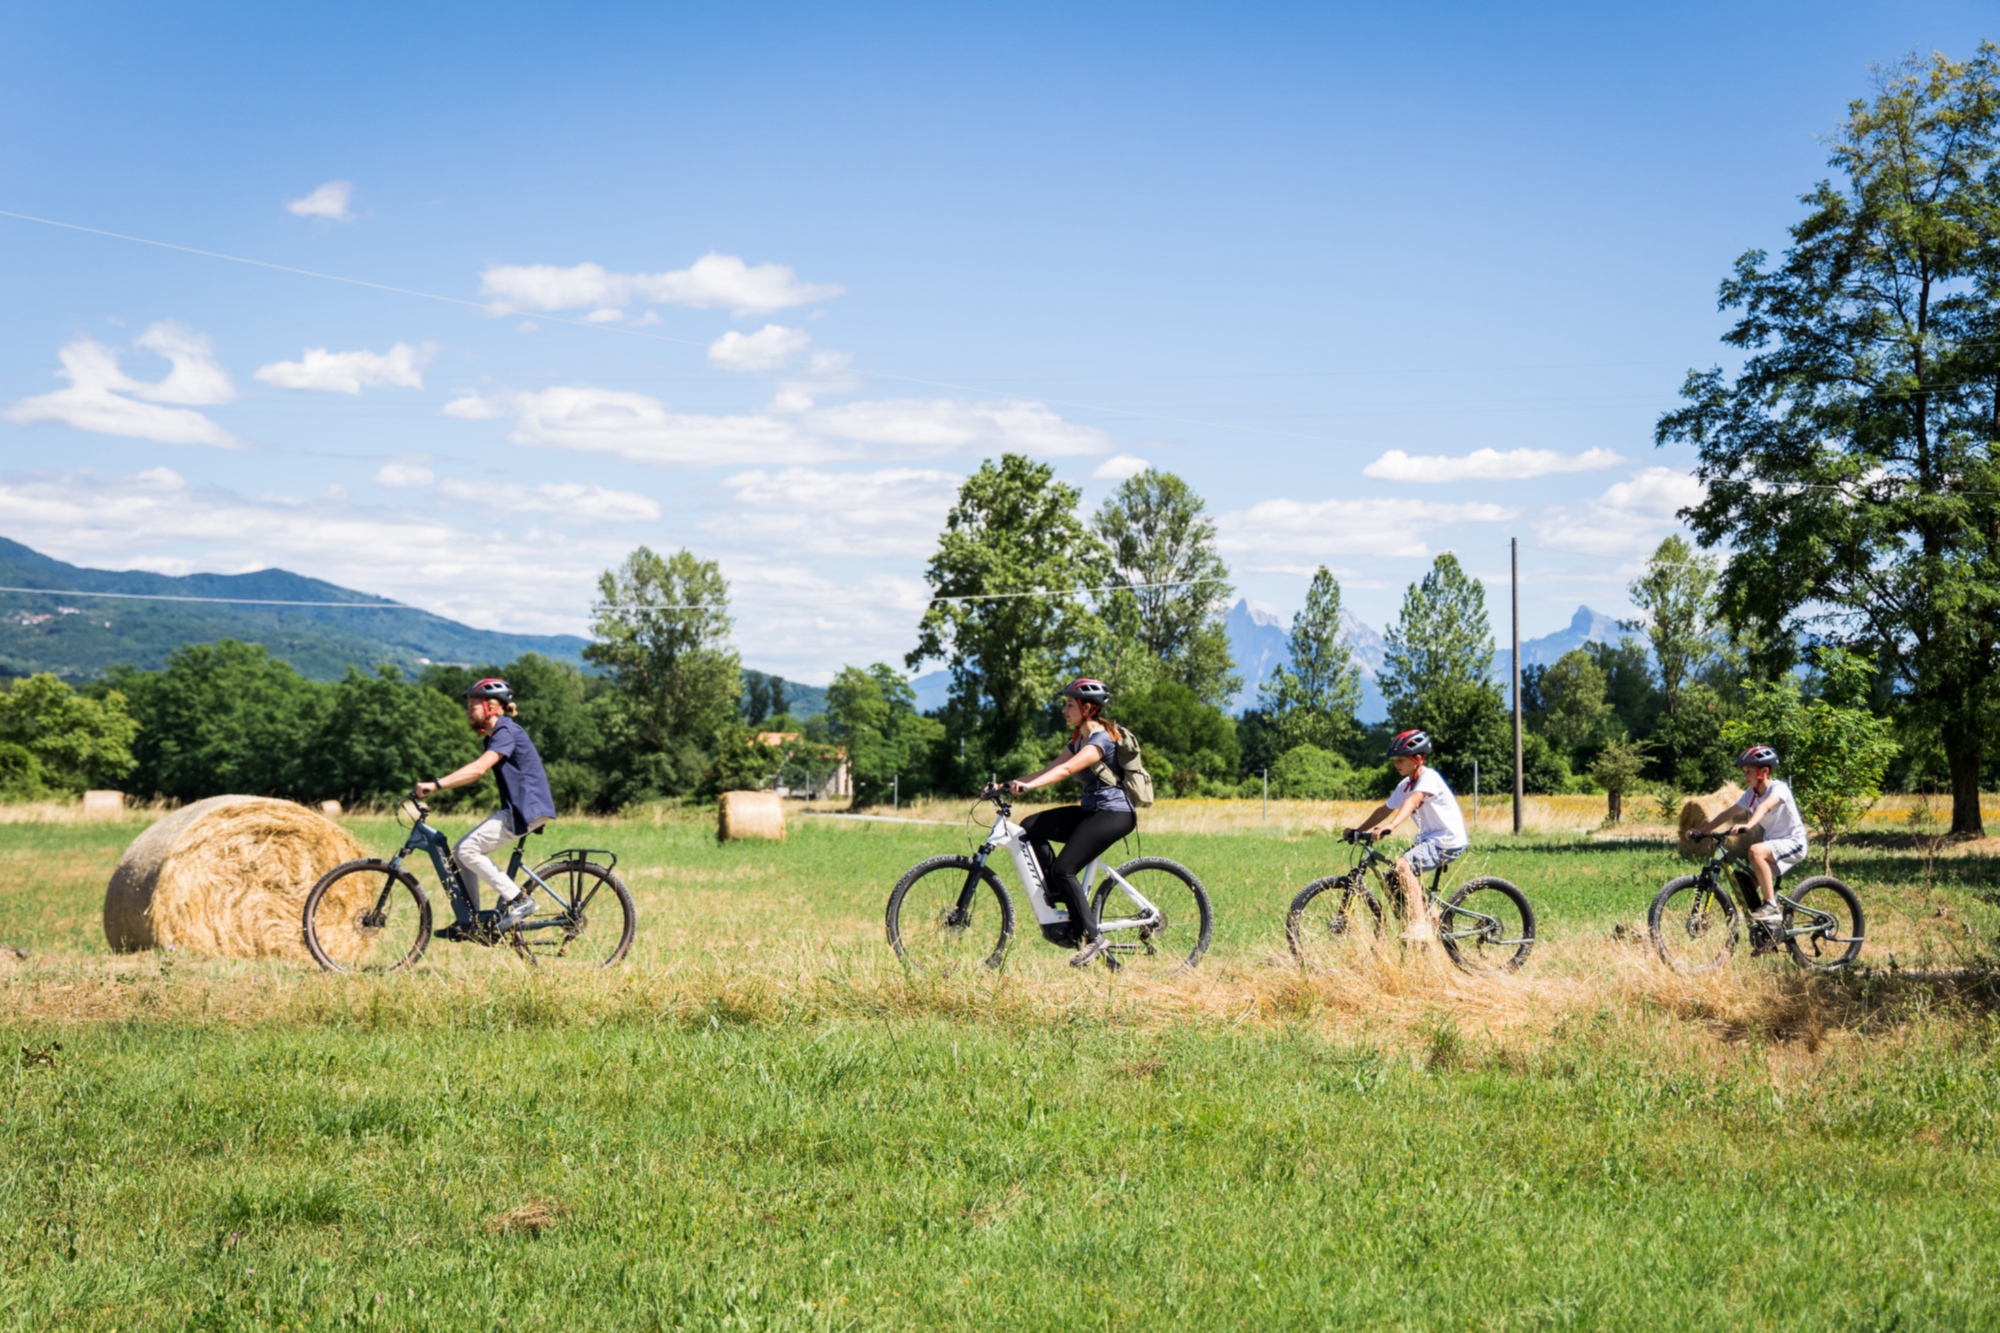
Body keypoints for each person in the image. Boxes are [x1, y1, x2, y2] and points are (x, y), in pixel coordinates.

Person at [1004, 677, 1136, 968]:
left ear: (1087, 708)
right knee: (1031, 825)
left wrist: (1029, 788)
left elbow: (1065, 770)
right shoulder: (1078, 739)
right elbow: (1049, 768)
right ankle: (1060, 890)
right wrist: (1007, 784)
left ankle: (1093, 937)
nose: (1064, 709)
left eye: (1069, 704)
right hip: (1092, 812)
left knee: (1065, 868)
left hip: (1113, 814)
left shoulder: (1100, 738)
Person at [416, 678, 558, 937]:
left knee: (467, 848)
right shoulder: (496, 736)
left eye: (473, 706)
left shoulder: (506, 731)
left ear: (491, 708)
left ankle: (520, 900)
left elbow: (479, 769)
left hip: (527, 809)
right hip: (521, 808)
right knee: (461, 853)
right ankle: (470, 921)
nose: (467, 712)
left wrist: (436, 785)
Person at [1346, 729, 1469, 942]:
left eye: (1401, 760)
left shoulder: (1429, 778)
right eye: (1395, 760)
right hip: (1430, 840)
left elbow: (1412, 801)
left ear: (1418, 758)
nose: (1396, 764)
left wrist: (1392, 825)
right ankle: (1434, 917)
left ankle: (1420, 927)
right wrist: (1359, 830)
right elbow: (1384, 809)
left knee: (1403, 865)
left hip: (1446, 840)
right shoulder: (1405, 784)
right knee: (1393, 877)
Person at [1693, 744, 1807, 925]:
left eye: (1748, 772)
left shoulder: (1779, 789)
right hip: (1773, 845)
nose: (1744, 776)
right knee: (1744, 884)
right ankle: (1766, 933)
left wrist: (1748, 825)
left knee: (1755, 851)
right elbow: (1727, 814)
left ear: (1764, 771)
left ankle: (1771, 905)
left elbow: (1765, 806)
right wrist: (1702, 831)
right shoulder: (1750, 794)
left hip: (1793, 843)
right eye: (1743, 772)